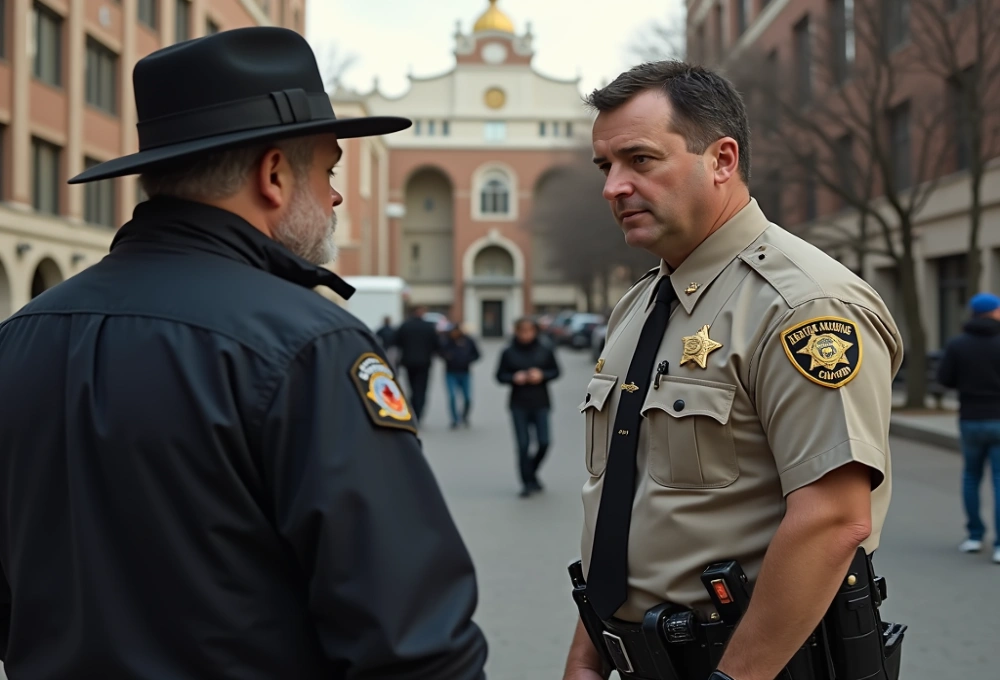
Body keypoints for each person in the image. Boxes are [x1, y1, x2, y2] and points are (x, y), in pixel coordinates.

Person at [0, 28, 488, 679]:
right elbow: (414, 642)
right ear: (274, 174)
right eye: (329, 170)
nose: (336, 196)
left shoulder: (19, 336)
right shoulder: (308, 346)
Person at [562, 62, 905, 680]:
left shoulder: (804, 305)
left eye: (640, 160)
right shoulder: (639, 307)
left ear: (722, 160)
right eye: (605, 166)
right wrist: (589, 654)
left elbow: (833, 519)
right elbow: (628, 506)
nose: (613, 187)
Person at [936, 291, 1000, 564]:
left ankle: (974, 536)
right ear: (994, 312)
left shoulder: (958, 343)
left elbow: (945, 378)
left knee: (971, 477)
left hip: (970, 418)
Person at [496, 317, 561, 497]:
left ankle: (531, 471)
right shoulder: (508, 352)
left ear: (535, 332)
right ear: (516, 332)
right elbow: (500, 376)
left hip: (541, 402)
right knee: (523, 445)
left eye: (529, 331)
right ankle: (526, 483)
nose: (526, 335)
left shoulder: (545, 349)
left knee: (544, 442)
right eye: (522, 331)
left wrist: (542, 375)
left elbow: (556, 371)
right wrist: (513, 378)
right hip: (518, 404)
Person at [393, 305, 440, 423]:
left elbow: (396, 342)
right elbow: (436, 344)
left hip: (409, 362)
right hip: (424, 362)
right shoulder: (429, 327)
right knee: (422, 389)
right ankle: (418, 412)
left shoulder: (405, 326)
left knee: (412, 387)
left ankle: (413, 409)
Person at [439, 324, 482, 428]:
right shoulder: (447, 341)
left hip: (465, 372)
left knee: (467, 398)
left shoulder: (468, 341)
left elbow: (477, 354)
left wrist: (468, 360)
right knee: (452, 396)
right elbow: (440, 351)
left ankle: (464, 415)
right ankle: (455, 419)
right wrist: (447, 357)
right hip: (450, 372)